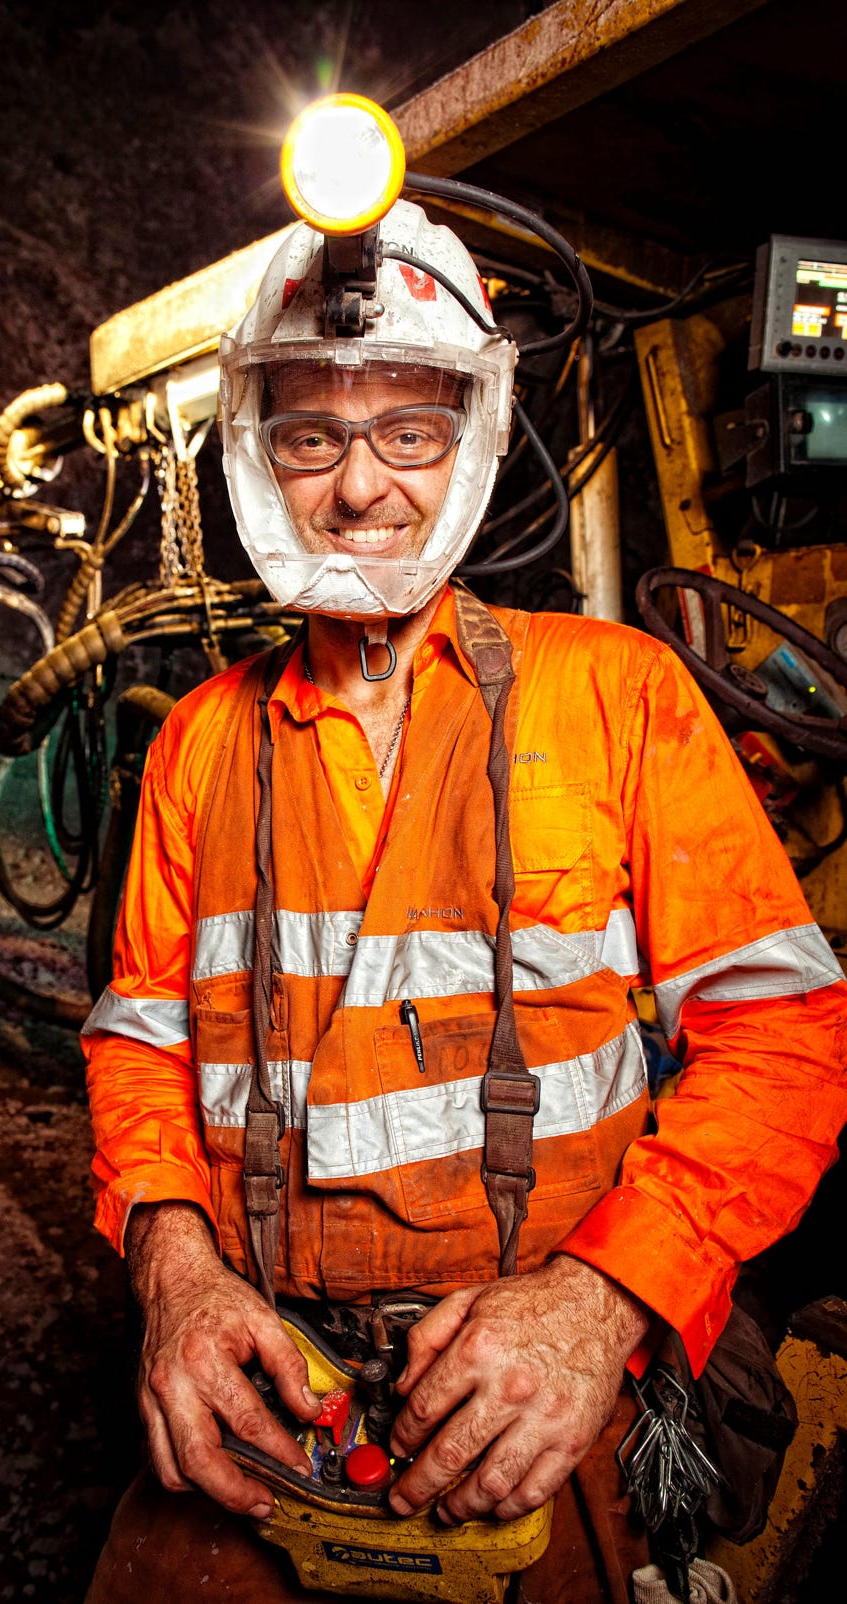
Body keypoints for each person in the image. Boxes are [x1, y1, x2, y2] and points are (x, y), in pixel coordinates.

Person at [81, 200, 847, 1603]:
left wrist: (597, 1303)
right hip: (275, 1379)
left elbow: (781, 1036)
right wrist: (177, 1274)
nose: (360, 485)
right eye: (311, 432)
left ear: (474, 444)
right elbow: (140, 1043)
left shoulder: (618, 697)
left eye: (409, 432)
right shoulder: (201, 740)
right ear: (257, 455)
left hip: (557, 1371)